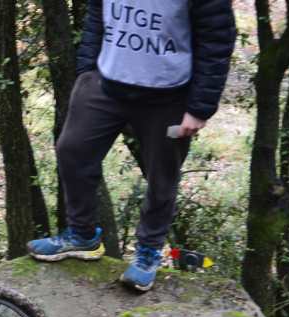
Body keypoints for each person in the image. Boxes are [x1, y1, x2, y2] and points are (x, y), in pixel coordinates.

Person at [27, 0, 236, 291]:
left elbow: (217, 40)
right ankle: (82, 234)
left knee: (162, 176)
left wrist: (200, 107)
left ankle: (148, 252)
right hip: (105, 87)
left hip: (168, 99)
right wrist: (87, 72)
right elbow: (97, 14)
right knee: (72, 150)